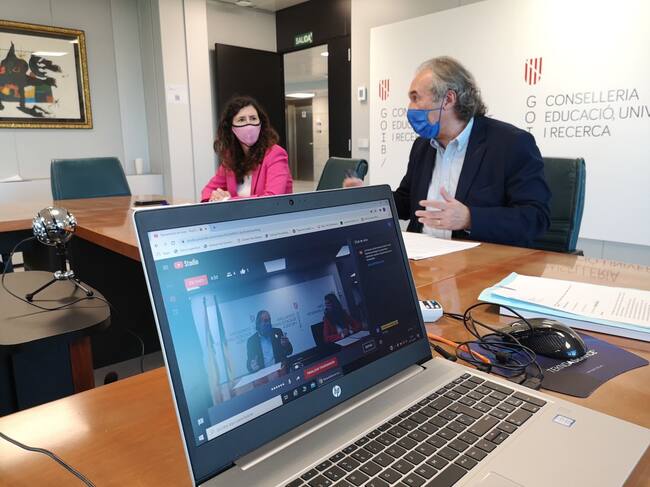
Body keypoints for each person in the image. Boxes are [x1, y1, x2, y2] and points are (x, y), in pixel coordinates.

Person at [345, 56, 550, 247]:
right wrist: (369, 199)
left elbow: (536, 218)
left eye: (416, 98)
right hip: (422, 258)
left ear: (448, 99)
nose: (410, 107)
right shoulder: (422, 146)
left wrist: (470, 218)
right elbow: (407, 202)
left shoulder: (511, 143)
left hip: (477, 262)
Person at [201, 96, 293, 202]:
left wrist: (228, 200)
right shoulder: (230, 159)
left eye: (253, 118)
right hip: (239, 213)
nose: (249, 124)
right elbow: (207, 191)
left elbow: (272, 198)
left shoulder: (275, 154)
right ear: (231, 127)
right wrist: (215, 197)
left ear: (261, 123)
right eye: (241, 120)